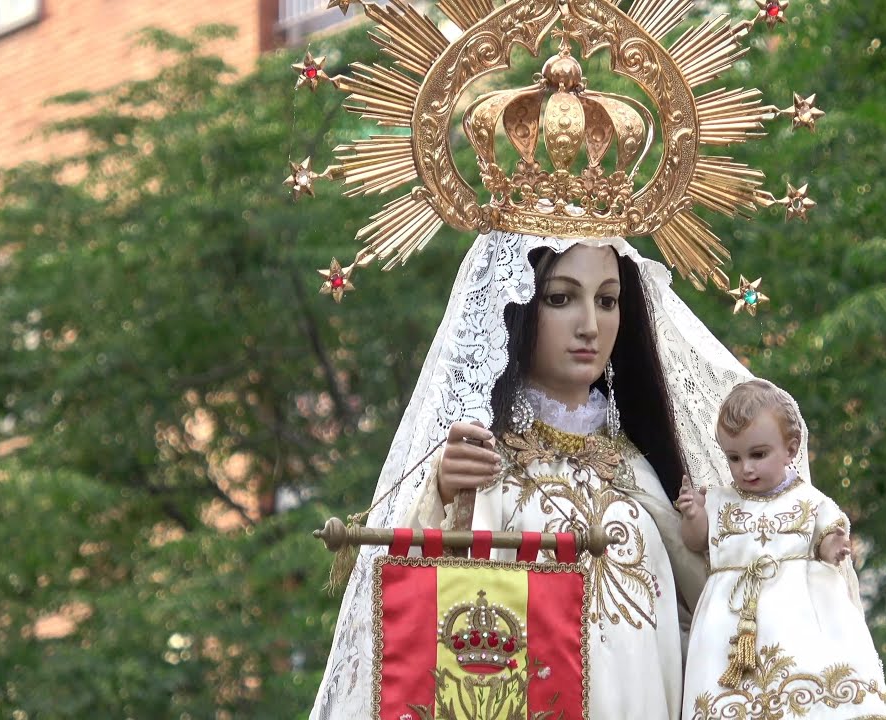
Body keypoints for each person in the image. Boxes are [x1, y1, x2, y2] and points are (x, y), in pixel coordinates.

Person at [309, 233, 758, 720]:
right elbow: (422, 628)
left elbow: (714, 616)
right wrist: (442, 492)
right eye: (561, 298)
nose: (590, 325)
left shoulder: (643, 472)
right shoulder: (487, 467)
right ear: (517, 307)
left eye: (607, 301)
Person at [677, 380, 886, 720]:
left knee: (805, 697)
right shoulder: (719, 501)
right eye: (734, 457)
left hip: (798, 619)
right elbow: (696, 541)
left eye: (758, 454)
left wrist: (833, 546)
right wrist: (692, 514)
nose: (745, 468)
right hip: (730, 627)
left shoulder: (808, 500)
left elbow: (826, 533)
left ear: (791, 449)